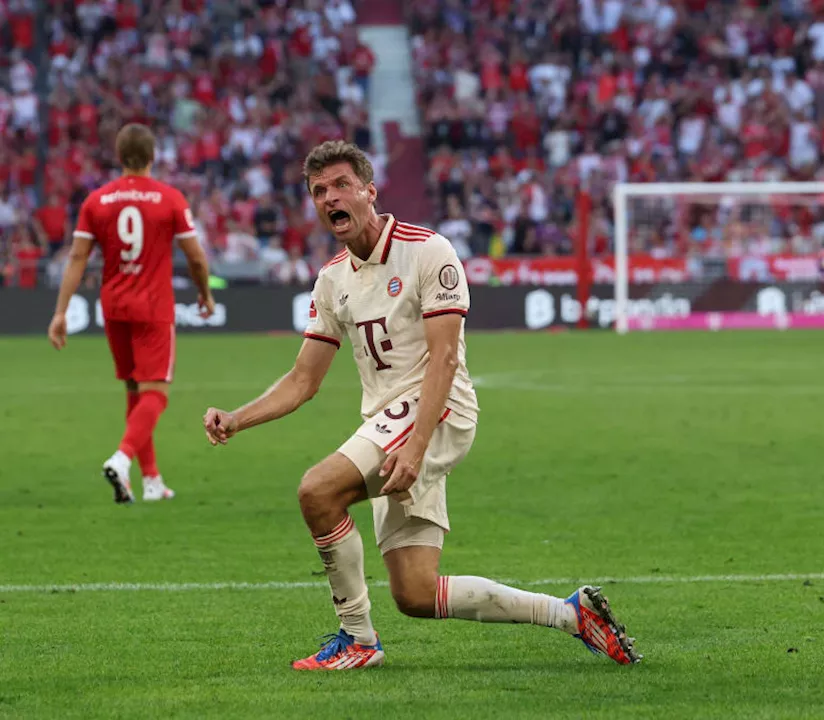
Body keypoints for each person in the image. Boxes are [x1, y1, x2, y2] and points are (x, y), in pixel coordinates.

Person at [201, 141, 640, 671]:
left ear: (369, 191)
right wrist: (237, 418)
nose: (329, 198)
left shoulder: (428, 250)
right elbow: (302, 379)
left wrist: (415, 446)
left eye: (340, 185)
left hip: (438, 410)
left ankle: (358, 639)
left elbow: (445, 358)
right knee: (414, 592)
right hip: (390, 423)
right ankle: (572, 615)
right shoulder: (332, 279)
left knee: (317, 491)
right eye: (319, 191)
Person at [48, 123, 214, 504]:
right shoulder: (170, 199)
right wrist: (205, 293)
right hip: (153, 306)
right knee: (156, 394)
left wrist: (60, 312)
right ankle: (122, 459)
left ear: (119, 157)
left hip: (114, 306)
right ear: (153, 157)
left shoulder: (97, 201)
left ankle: (152, 480)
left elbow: (76, 258)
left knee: (135, 390)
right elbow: (195, 257)